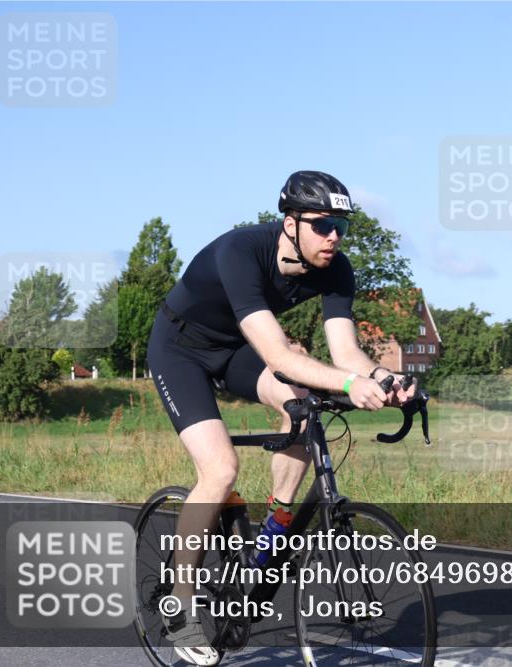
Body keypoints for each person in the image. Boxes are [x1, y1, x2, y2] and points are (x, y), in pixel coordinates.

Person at [145, 170, 414, 665]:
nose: (333, 237)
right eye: (322, 225)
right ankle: (179, 607)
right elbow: (279, 355)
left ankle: (276, 527)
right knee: (220, 469)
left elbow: (346, 353)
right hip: (179, 349)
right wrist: (350, 385)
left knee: (304, 406)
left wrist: (385, 378)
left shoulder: (336, 268)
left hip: (234, 350)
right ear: (291, 223)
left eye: (341, 227)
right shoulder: (241, 251)